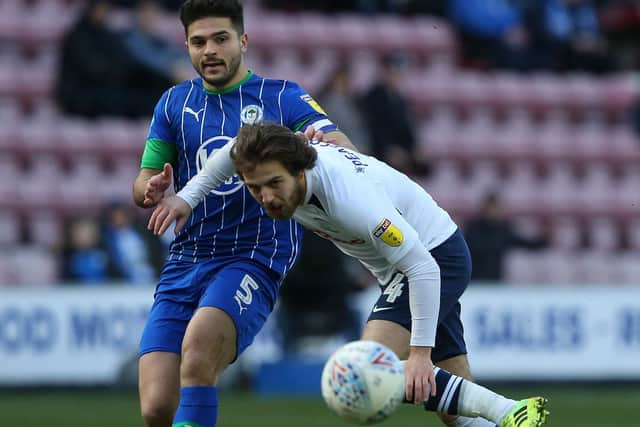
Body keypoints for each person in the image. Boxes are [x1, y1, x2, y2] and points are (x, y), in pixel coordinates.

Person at [148, 123, 549, 427]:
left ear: (301, 171)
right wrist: (187, 197)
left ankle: (510, 410)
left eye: (274, 184)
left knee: (366, 365)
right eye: (255, 188)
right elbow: (229, 155)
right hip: (410, 264)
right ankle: (508, 415)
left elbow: (422, 267)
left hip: (432, 260)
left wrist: (421, 354)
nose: (266, 197)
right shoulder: (280, 167)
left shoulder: (352, 201)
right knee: (454, 412)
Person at [131, 1, 356, 427]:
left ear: (243, 41)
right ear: (186, 46)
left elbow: (339, 142)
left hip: (254, 256)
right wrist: (151, 188)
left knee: (198, 353)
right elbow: (142, 181)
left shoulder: (282, 95)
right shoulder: (173, 104)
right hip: (186, 259)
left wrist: (324, 145)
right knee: (157, 406)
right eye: (198, 42)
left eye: (220, 39)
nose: (209, 50)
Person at [464, 192, 549, 282]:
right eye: (491, 207)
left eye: (495, 208)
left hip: (496, 282)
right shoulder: (473, 229)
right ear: (484, 208)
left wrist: (544, 240)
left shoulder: (503, 230)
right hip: (474, 282)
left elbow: (525, 243)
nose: (493, 211)